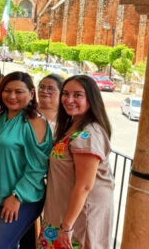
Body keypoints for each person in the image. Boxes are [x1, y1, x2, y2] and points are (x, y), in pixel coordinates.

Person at [39, 75, 114, 249]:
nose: (69, 100)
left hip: (79, 216)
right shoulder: (73, 125)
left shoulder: (88, 134)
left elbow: (85, 185)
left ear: (91, 98)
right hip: (64, 211)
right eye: (65, 93)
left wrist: (66, 227)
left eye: (78, 95)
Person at [0, 72, 52, 249]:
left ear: (31, 94)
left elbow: (39, 167)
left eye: (19, 91)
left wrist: (17, 196)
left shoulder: (36, 122)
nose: (12, 96)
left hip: (23, 197)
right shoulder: (1, 117)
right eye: (7, 91)